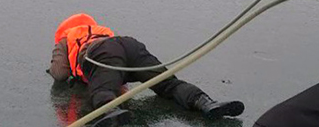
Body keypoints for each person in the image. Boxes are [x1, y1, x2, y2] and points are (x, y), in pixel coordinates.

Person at [48, 13, 244, 126]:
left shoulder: (67, 39)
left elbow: (60, 73)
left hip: (101, 54)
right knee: (168, 83)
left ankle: (111, 112)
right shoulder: (100, 30)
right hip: (130, 46)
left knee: (102, 90)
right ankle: (205, 102)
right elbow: (116, 55)